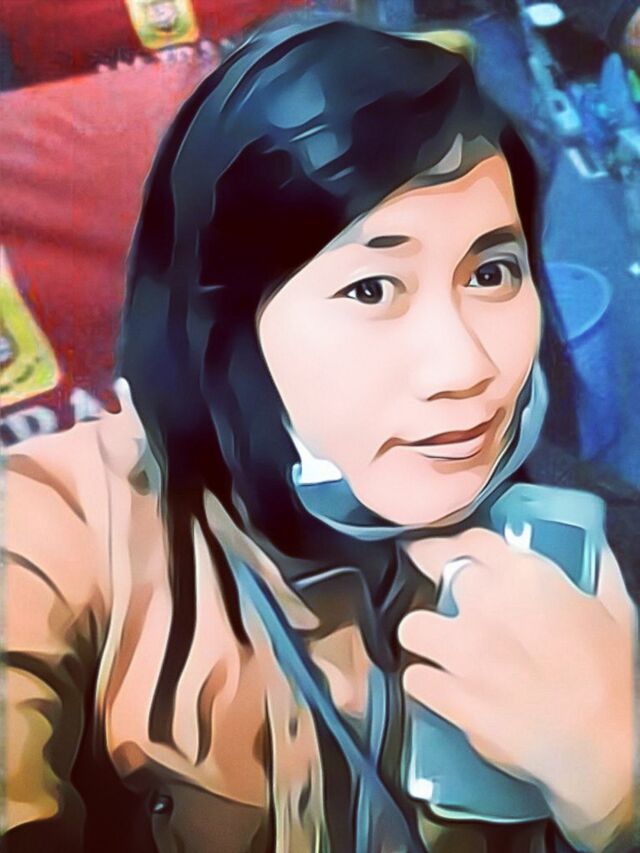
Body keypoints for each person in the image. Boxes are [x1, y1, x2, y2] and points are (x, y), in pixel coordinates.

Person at [3, 11, 638, 852]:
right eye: (371, 288)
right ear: (225, 321)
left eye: (491, 272)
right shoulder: (62, 528)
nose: (466, 367)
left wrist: (619, 792)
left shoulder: (593, 543)